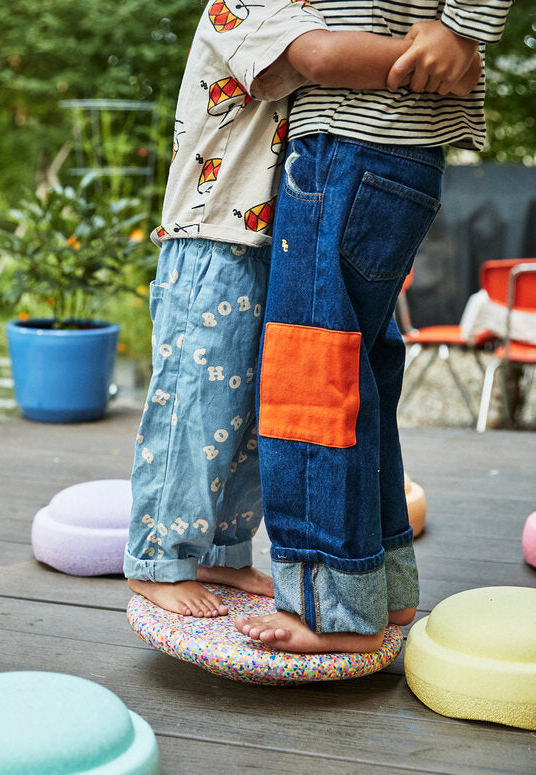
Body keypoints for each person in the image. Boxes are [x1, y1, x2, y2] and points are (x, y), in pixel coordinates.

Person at [123, 0, 481, 620]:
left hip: (275, 240)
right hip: (214, 244)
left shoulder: (307, 11)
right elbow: (322, 59)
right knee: (194, 407)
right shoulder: (242, 9)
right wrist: (445, 52)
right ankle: (157, 557)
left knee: (256, 421)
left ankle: (222, 549)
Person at [234, 2, 512, 652]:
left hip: (347, 145)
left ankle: (329, 608)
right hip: (395, 153)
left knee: (308, 378)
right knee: (357, 378)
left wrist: (461, 33)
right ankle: (378, 586)